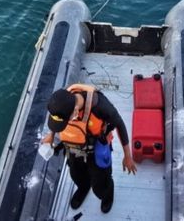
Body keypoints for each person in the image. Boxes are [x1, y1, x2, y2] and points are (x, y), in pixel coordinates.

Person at [43, 84, 137, 214]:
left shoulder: (100, 106)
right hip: (73, 149)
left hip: (95, 150)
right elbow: (57, 117)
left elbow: (119, 124)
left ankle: (107, 195)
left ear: (75, 111)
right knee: (76, 176)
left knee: (100, 185)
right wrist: (51, 135)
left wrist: (127, 155)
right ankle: (83, 187)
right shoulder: (61, 102)